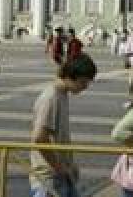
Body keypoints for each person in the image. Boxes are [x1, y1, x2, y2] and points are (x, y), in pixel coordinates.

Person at [28, 53, 98, 197]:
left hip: (60, 175)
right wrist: (60, 168)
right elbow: (39, 138)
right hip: (49, 178)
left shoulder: (62, 94)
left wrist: (69, 166)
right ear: (71, 76)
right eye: (83, 82)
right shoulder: (51, 98)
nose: (85, 87)